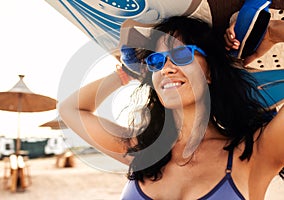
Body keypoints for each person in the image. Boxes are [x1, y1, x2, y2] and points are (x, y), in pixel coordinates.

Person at [59, 16, 284, 199]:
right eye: (156, 61)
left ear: (209, 72)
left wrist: (272, 32)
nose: (166, 68)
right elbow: (70, 109)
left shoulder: (256, 151)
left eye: (181, 55)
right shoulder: (144, 150)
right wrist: (128, 72)